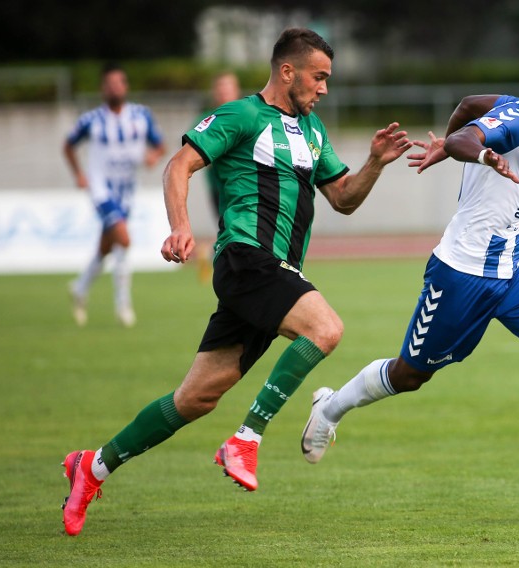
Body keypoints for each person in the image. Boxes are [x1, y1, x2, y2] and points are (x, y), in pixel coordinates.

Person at [60, 28, 413, 536]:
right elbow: (178, 165)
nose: (325, 89)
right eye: (319, 77)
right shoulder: (242, 115)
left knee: (196, 398)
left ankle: (92, 467)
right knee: (325, 329)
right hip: (246, 258)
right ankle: (247, 437)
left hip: (274, 275)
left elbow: (344, 198)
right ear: (287, 71)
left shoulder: (313, 131)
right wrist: (181, 226)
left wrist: (376, 162)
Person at [301, 64, 519, 507]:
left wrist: (445, 146)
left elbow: (466, 107)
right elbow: (469, 137)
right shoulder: (516, 123)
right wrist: (473, 152)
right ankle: (329, 409)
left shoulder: (516, 109)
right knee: (410, 375)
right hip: (463, 271)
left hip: (517, 265)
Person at [63, 62, 166, 327]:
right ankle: (123, 304)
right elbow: (68, 145)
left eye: (118, 83)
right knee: (124, 238)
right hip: (101, 189)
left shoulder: (141, 116)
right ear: (102, 89)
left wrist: (153, 157)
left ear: (125, 86)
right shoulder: (91, 120)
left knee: (108, 246)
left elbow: (161, 145)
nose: (114, 88)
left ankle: (80, 288)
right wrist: (79, 174)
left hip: (128, 191)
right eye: (109, 84)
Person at [194, 71, 242, 282]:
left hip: (246, 186)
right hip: (221, 189)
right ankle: (223, 265)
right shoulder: (207, 120)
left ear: (236, 91)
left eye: (228, 88)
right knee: (232, 229)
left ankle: (215, 256)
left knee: (236, 232)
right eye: (220, 88)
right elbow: (192, 152)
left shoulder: (247, 116)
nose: (224, 93)